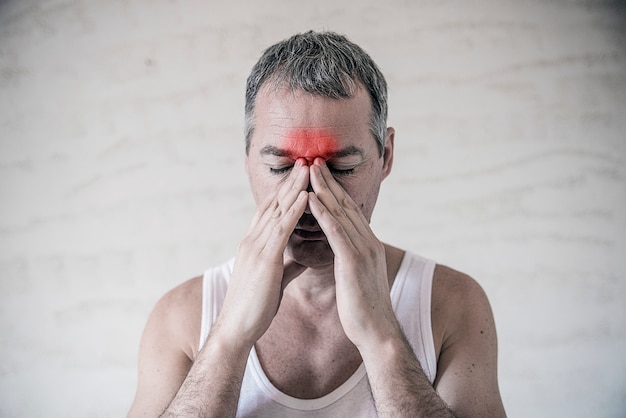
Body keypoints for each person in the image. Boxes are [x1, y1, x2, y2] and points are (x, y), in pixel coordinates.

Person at [127, 30, 506, 417]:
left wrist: (381, 338)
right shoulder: (181, 316)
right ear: (248, 161)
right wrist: (230, 337)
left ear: (386, 156)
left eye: (341, 168)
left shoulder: (452, 304)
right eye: (280, 167)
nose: (309, 196)